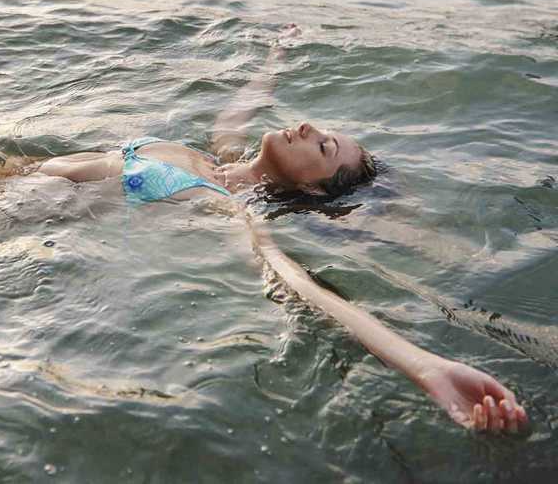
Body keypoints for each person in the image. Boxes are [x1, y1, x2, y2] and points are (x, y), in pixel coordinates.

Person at [31, 25, 529, 434]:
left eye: (324, 147)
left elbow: (292, 279)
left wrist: (425, 367)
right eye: (323, 132)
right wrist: (276, 55)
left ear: (312, 189)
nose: (309, 128)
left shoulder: (227, 208)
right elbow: (241, 107)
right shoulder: (218, 155)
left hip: (3, 219)